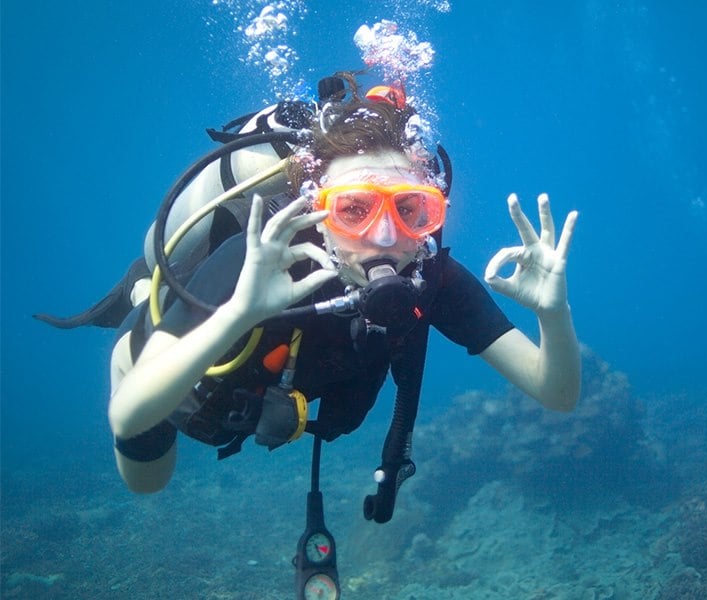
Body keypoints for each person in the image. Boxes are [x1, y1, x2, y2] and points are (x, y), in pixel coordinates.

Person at [106, 76, 581, 495]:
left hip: (256, 398)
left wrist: (553, 315)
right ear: (317, 210)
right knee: (149, 483)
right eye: (354, 209)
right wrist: (239, 311)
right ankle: (143, 296)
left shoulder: (432, 280)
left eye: (411, 209)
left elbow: (558, 395)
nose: (385, 235)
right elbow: (129, 415)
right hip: (164, 383)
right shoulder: (259, 262)